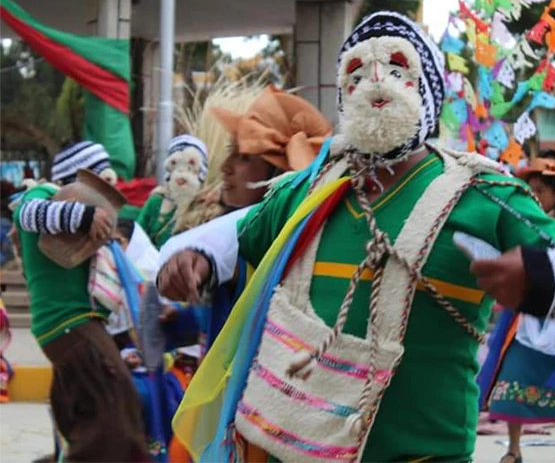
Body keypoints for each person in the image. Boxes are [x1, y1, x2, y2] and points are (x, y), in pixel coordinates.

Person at [157, 12, 555, 461]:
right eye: (357, 72)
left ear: (426, 88)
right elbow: (237, 236)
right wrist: (195, 255)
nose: (376, 82)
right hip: (292, 448)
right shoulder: (307, 190)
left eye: (397, 68)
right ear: (342, 92)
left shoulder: (485, 193)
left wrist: (544, 278)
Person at [162, 85, 334, 347]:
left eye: (243, 157)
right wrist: (180, 319)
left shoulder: (277, 253)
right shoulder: (230, 240)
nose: (225, 167)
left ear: (279, 175)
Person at [15, 138, 148, 461]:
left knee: (96, 423)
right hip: (70, 325)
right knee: (114, 426)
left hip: (76, 328)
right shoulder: (42, 195)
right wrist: (84, 216)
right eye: (100, 182)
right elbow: (26, 213)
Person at [478, 158, 555, 463]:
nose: (533, 196)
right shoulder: (521, 226)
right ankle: (513, 449)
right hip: (525, 315)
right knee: (512, 377)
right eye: (530, 190)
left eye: (540, 190)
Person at [135, 135, 208, 241]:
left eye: (189, 167)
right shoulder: (157, 201)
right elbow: (137, 235)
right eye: (176, 166)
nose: (182, 174)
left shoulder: (203, 208)